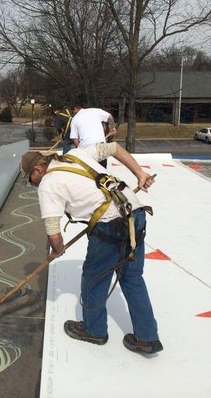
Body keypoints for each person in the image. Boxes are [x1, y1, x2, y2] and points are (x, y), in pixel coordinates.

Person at [20, 143, 163, 354]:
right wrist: (139, 173)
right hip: (135, 213)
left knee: (94, 279)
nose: (31, 184)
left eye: (29, 179)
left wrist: (57, 249)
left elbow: (53, 232)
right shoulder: (76, 154)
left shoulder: (48, 184)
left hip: (110, 226)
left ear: (38, 170)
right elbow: (113, 147)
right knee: (132, 278)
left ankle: (94, 330)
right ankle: (147, 338)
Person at [70, 103, 117, 168]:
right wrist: (112, 127)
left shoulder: (74, 119)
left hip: (85, 149)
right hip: (100, 147)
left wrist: (79, 148)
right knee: (102, 172)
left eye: (73, 111)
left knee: (89, 173)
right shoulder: (96, 111)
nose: (73, 113)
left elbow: (74, 138)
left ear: (75, 108)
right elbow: (110, 116)